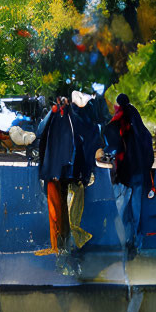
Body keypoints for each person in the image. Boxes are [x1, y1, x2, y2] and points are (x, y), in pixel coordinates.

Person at [102, 92, 155, 259]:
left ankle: (125, 244)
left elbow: (110, 143)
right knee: (137, 210)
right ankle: (136, 244)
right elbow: (149, 152)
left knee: (123, 210)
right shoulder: (140, 127)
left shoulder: (118, 122)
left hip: (124, 174)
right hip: (139, 172)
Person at [35, 96, 76, 255]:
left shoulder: (62, 121)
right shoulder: (65, 119)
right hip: (61, 173)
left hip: (56, 173)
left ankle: (57, 246)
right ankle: (60, 246)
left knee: (57, 211)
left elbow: (61, 146)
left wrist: (56, 173)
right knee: (61, 211)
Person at [66, 91, 100, 251]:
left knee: (70, 211)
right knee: (75, 210)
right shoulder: (89, 123)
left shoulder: (66, 118)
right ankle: (75, 243)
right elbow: (92, 147)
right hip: (79, 173)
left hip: (68, 171)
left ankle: (72, 244)